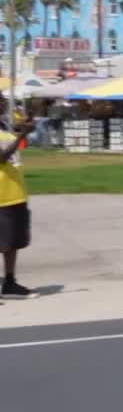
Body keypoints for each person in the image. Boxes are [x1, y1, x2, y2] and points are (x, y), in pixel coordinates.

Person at [0, 119, 36, 299]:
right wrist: (23, 134)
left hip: (14, 193)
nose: (3, 103)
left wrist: (22, 131)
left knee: (13, 243)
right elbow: (2, 157)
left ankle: (9, 282)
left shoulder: (4, 125)